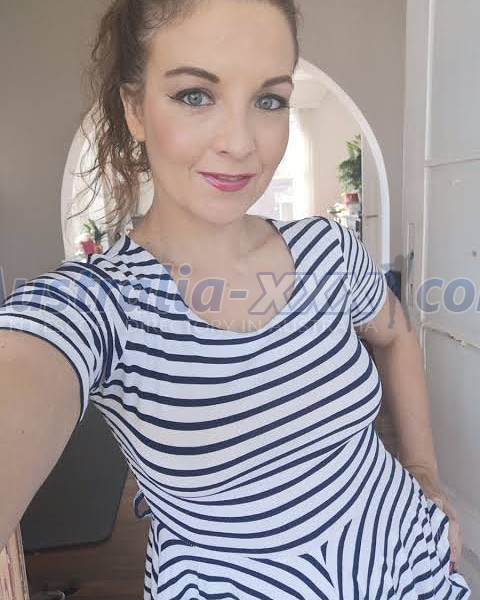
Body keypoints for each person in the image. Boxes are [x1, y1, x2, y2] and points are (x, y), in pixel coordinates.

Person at [0, 0, 472, 598]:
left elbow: (397, 334)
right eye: (195, 95)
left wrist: (424, 471)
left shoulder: (327, 249)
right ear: (134, 109)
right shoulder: (101, 304)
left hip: (410, 561)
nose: (241, 142)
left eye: (269, 100)